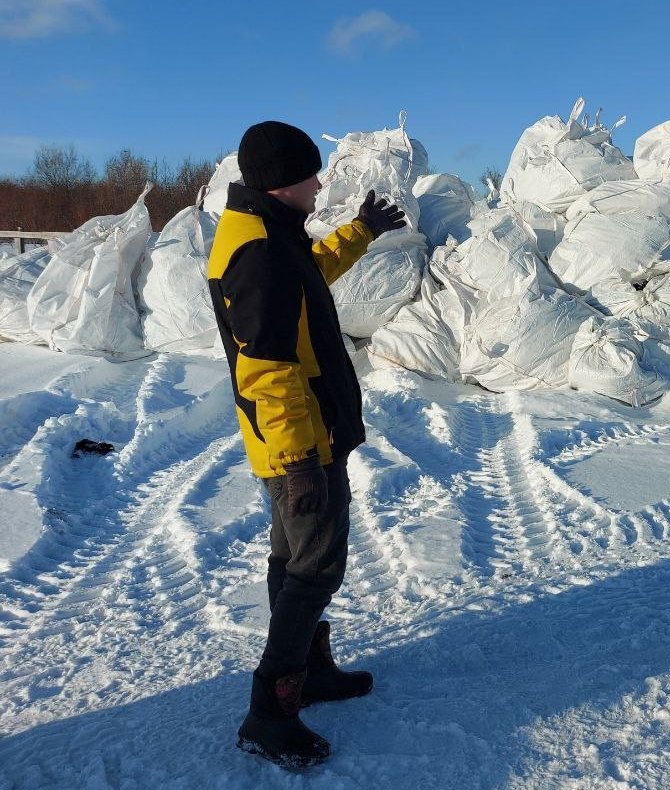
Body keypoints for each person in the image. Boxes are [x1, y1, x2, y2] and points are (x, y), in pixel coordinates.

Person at [207, 120, 406, 768]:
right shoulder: (258, 251)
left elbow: (311, 273)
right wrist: (299, 464)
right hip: (300, 443)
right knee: (316, 568)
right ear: (282, 182)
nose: (319, 186)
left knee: (292, 560)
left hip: (295, 438)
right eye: (311, 176)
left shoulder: (266, 233)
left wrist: (361, 232)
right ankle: (271, 709)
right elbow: (266, 368)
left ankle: (309, 671)